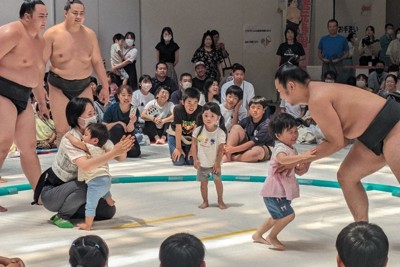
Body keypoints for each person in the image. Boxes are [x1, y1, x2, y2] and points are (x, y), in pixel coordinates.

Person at [274, 63, 400, 222]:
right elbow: (341, 136)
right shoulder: (318, 93)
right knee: (347, 176)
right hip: (370, 136)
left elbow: (336, 142)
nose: (281, 97)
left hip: (394, 127)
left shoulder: (317, 98)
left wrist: (304, 158)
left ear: (291, 86)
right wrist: (308, 160)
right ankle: (362, 229)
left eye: (280, 91)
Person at [36, 98, 133, 228]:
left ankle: (74, 207)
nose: (93, 117)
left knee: (108, 211)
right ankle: (62, 215)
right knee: (88, 186)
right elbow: (86, 165)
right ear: (76, 117)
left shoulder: (96, 133)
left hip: (79, 187)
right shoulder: (70, 138)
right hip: (54, 191)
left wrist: (122, 147)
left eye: (94, 113)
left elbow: (120, 157)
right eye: (89, 114)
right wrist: (112, 153)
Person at [0, 0, 49, 213]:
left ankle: (39, 194)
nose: (44, 20)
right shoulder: (11, 32)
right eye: (41, 16)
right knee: (3, 143)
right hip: (2, 91)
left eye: (46, 16)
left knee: (29, 148)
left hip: (24, 97)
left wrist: (42, 101)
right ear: (27, 16)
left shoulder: (41, 43)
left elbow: (37, 74)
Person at [42, 0, 109, 146]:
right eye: (75, 13)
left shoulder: (90, 34)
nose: (79, 16)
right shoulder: (51, 34)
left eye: (82, 13)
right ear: (66, 13)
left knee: (88, 127)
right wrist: (39, 88)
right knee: (62, 130)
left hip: (84, 84)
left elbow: (97, 61)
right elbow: (41, 63)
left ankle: (86, 164)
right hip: (58, 84)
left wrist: (105, 86)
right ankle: (64, 166)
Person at [252, 113, 315, 250]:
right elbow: (283, 160)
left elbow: (299, 171)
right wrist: (302, 157)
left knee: (276, 217)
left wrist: (307, 161)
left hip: (282, 191)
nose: (295, 135)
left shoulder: (293, 149)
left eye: (296, 131)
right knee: (288, 215)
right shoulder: (280, 148)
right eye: (290, 132)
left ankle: (257, 235)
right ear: (278, 135)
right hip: (274, 192)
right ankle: (272, 236)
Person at [65, 123, 115, 230]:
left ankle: (88, 224)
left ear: (95, 141)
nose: (83, 137)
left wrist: (68, 136)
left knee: (91, 204)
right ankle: (110, 200)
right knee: (104, 190)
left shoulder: (91, 147)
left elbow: (77, 143)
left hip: (96, 181)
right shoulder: (102, 150)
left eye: (86, 135)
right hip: (106, 180)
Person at [191, 102, 227, 209]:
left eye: (212, 116)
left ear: (218, 117)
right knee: (203, 184)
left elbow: (221, 150)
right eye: (206, 115)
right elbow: (193, 146)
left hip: (215, 163)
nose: (208, 118)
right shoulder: (198, 130)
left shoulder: (220, 133)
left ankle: (220, 200)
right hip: (202, 162)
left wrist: (217, 163)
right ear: (202, 116)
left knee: (218, 181)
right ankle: (205, 201)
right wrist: (195, 159)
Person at [223, 96, 274, 163]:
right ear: (249, 110)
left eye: (258, 108)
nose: (255, 110)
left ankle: (233, 157)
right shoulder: (247, 120)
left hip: (263, 147)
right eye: (253, 107)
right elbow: (233, 131)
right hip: (247, 146)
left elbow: (252, 143)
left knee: (257, 152)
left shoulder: (266, 125)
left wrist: (234, 149)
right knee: (236, 127)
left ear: (263, 110)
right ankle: (228, 156)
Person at [103, 85, 141, 158]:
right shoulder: (112, 108)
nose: (126, 98)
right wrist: (118, 122)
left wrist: (131, 122)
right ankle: (115, 149)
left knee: (136, 152)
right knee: (118, 127)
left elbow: (130, 130)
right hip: (113, 135)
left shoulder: (134, 109)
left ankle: (121, 151)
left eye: (129, 95)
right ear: (118, 96)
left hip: (127, 135)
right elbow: (104, 126)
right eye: (123, 95)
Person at [167, 88, 202, 166]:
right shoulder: (178, 109)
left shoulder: (200, 110)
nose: (192, 106)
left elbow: (196, 131)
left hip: (189, 137)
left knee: (191, 161)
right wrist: (178, 148)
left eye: (195, 102)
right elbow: (178, 129)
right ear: (183, 102)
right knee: (179, 162)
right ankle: (175, 149)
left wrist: (193, 148)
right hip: (175, 135)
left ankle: (186, 150)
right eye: (189, 102)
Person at [318, 19, 349, 84]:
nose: (332, 28)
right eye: (330, 27)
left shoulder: (343, 39)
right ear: (328, 28)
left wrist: (339, 59)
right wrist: (322, 59)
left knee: (338, 82)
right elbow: (319, 52)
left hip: (337, 64)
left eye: (334, 26)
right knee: (324, 82)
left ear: (337, 27)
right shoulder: (323, 39)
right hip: (326, 63)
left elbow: (347, 53)